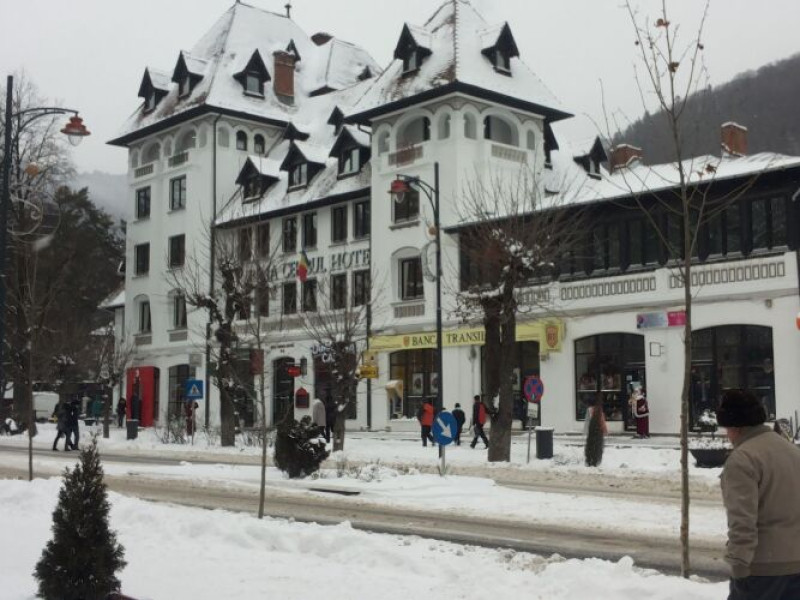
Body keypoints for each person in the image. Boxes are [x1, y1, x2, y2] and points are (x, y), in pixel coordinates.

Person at [718, 389, 800, 600]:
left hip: (763, 569)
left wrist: (739, 564)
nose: (727, 435)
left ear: (736, 426)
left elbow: (742, 521)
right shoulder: (792, 452)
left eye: (726, 429)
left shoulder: (743, 458)